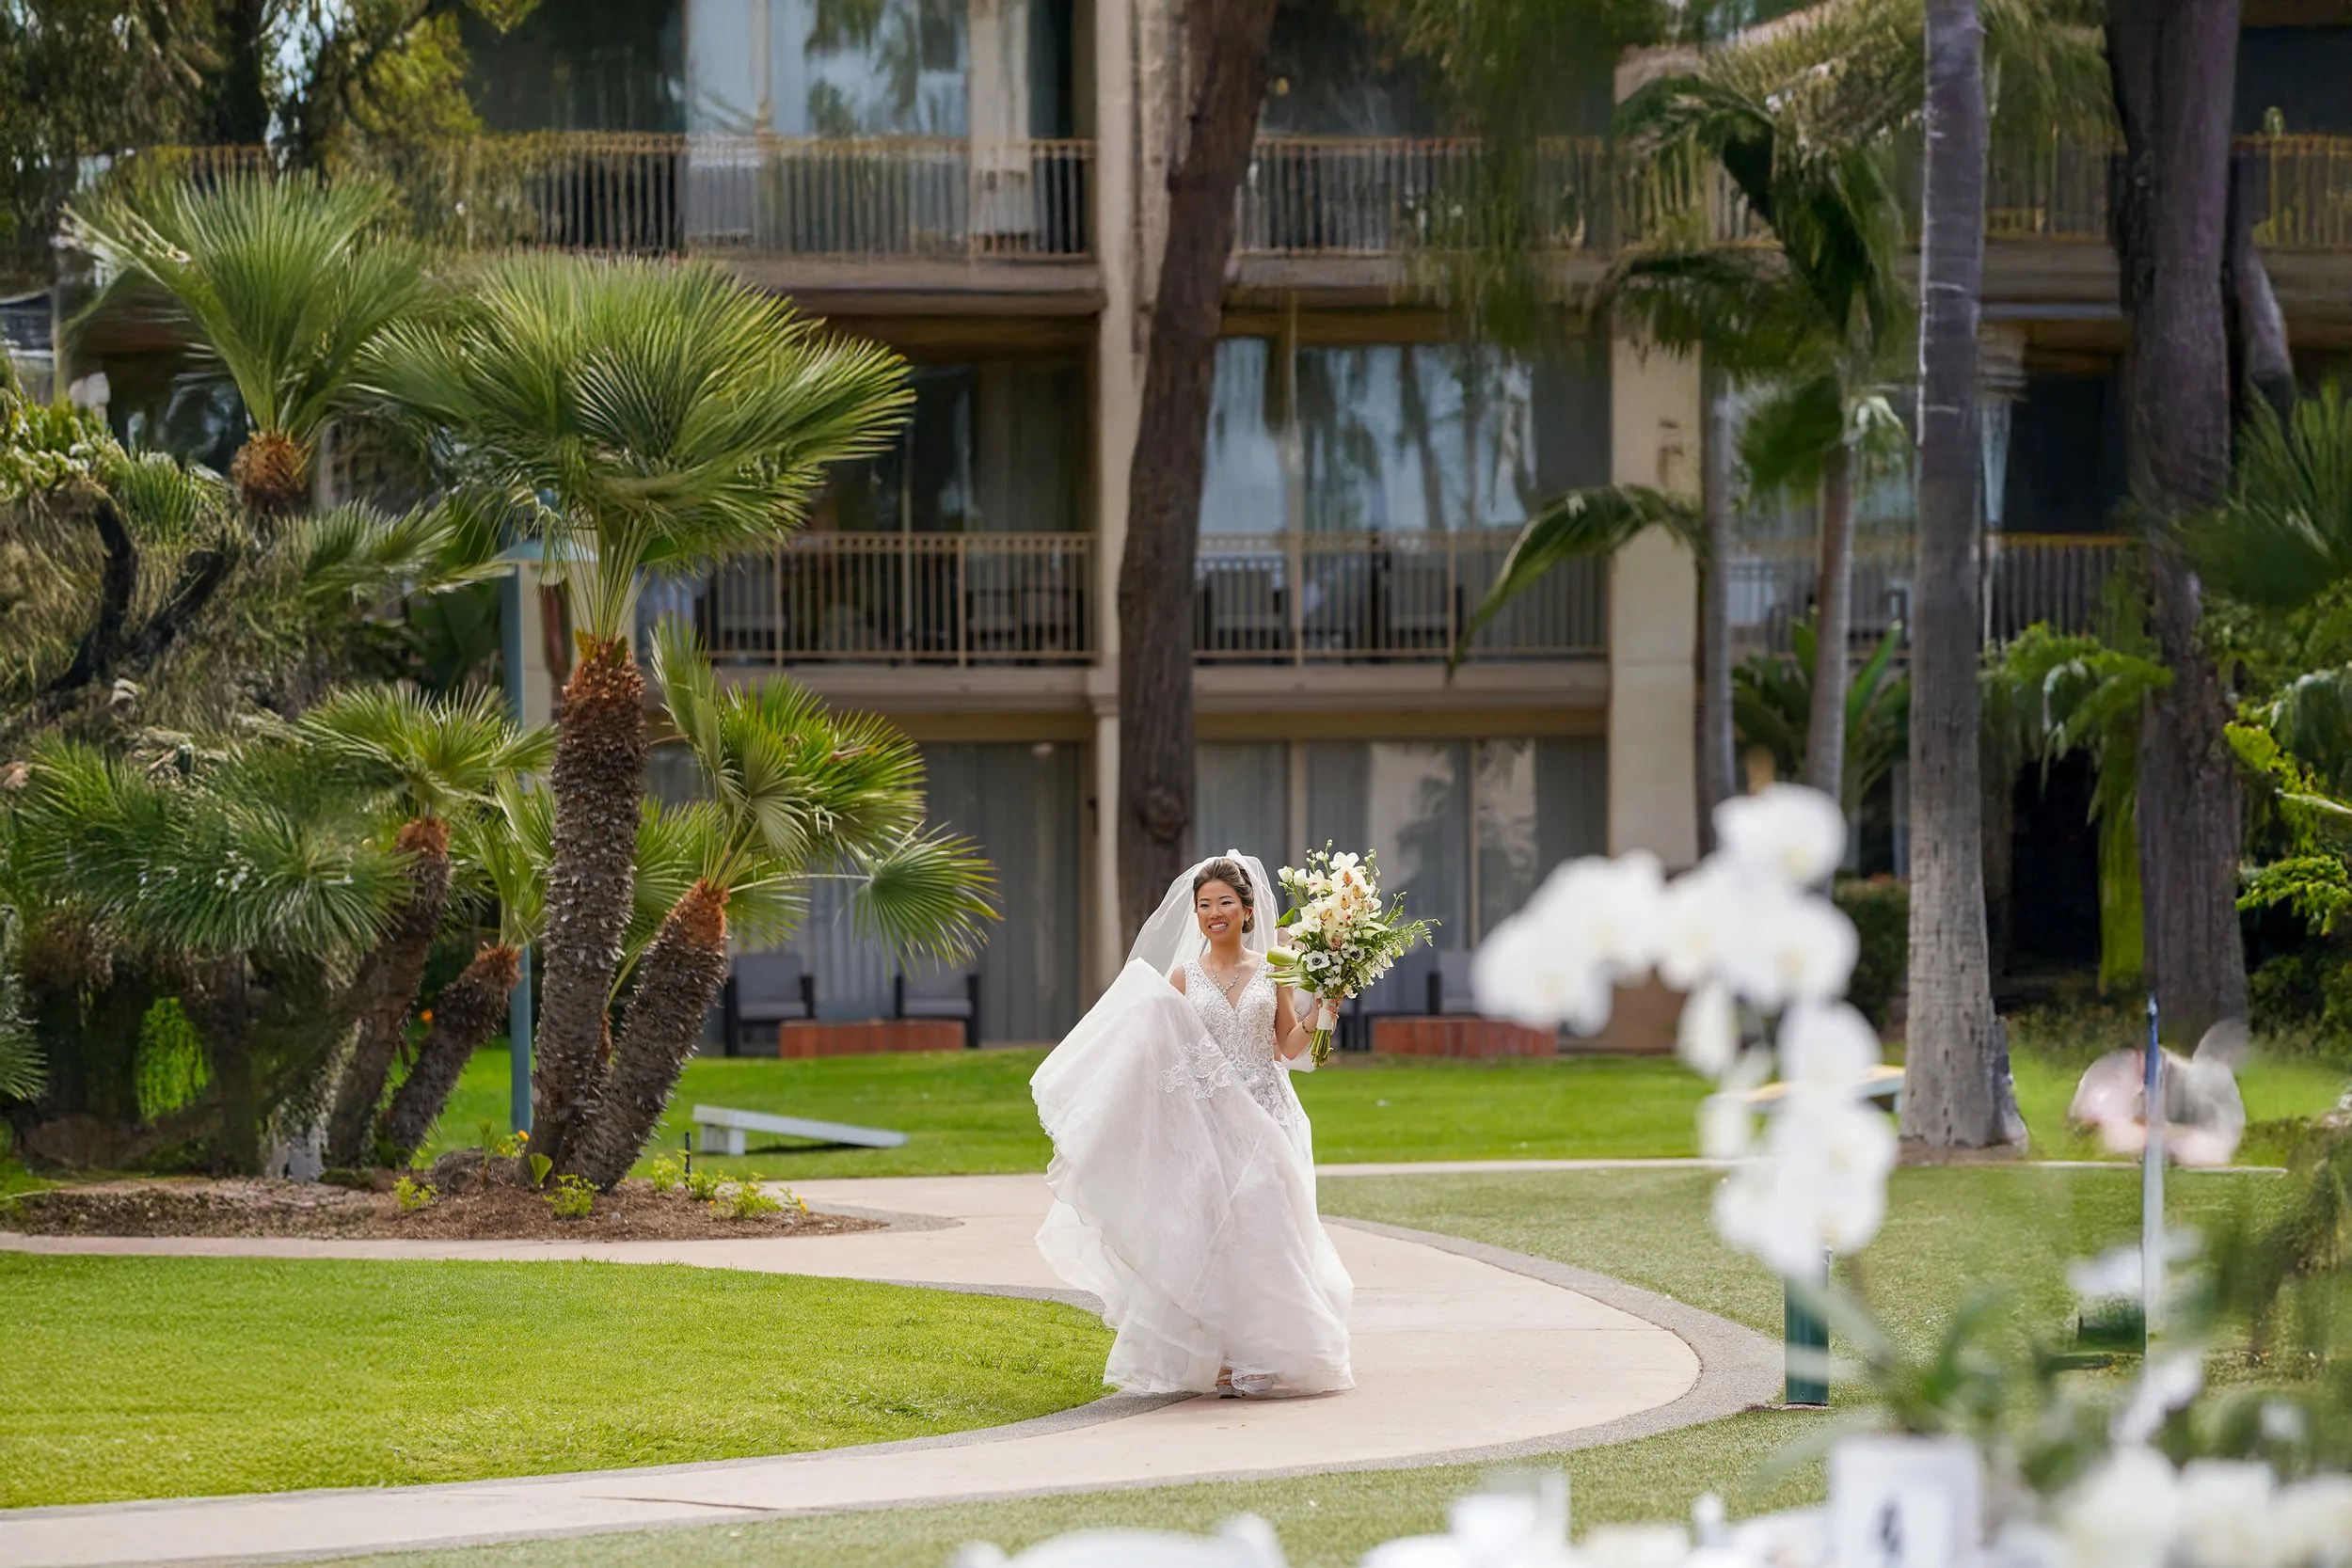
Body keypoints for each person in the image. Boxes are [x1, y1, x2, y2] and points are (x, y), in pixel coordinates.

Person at [1031, 852, 1355, 1399]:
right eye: (1204, 906)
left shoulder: (1273, 969)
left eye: (1225, 903)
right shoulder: (1182, 977)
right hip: (1207, 1125)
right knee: (1218, 1235)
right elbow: (1159, 1048)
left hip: (1268, 1115)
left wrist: (1325, 1006)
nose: (1214, 914)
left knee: (1268, 1228)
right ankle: (1226, 1355)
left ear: (1247, 911)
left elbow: (1288, 1047)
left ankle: (1269, 1353)